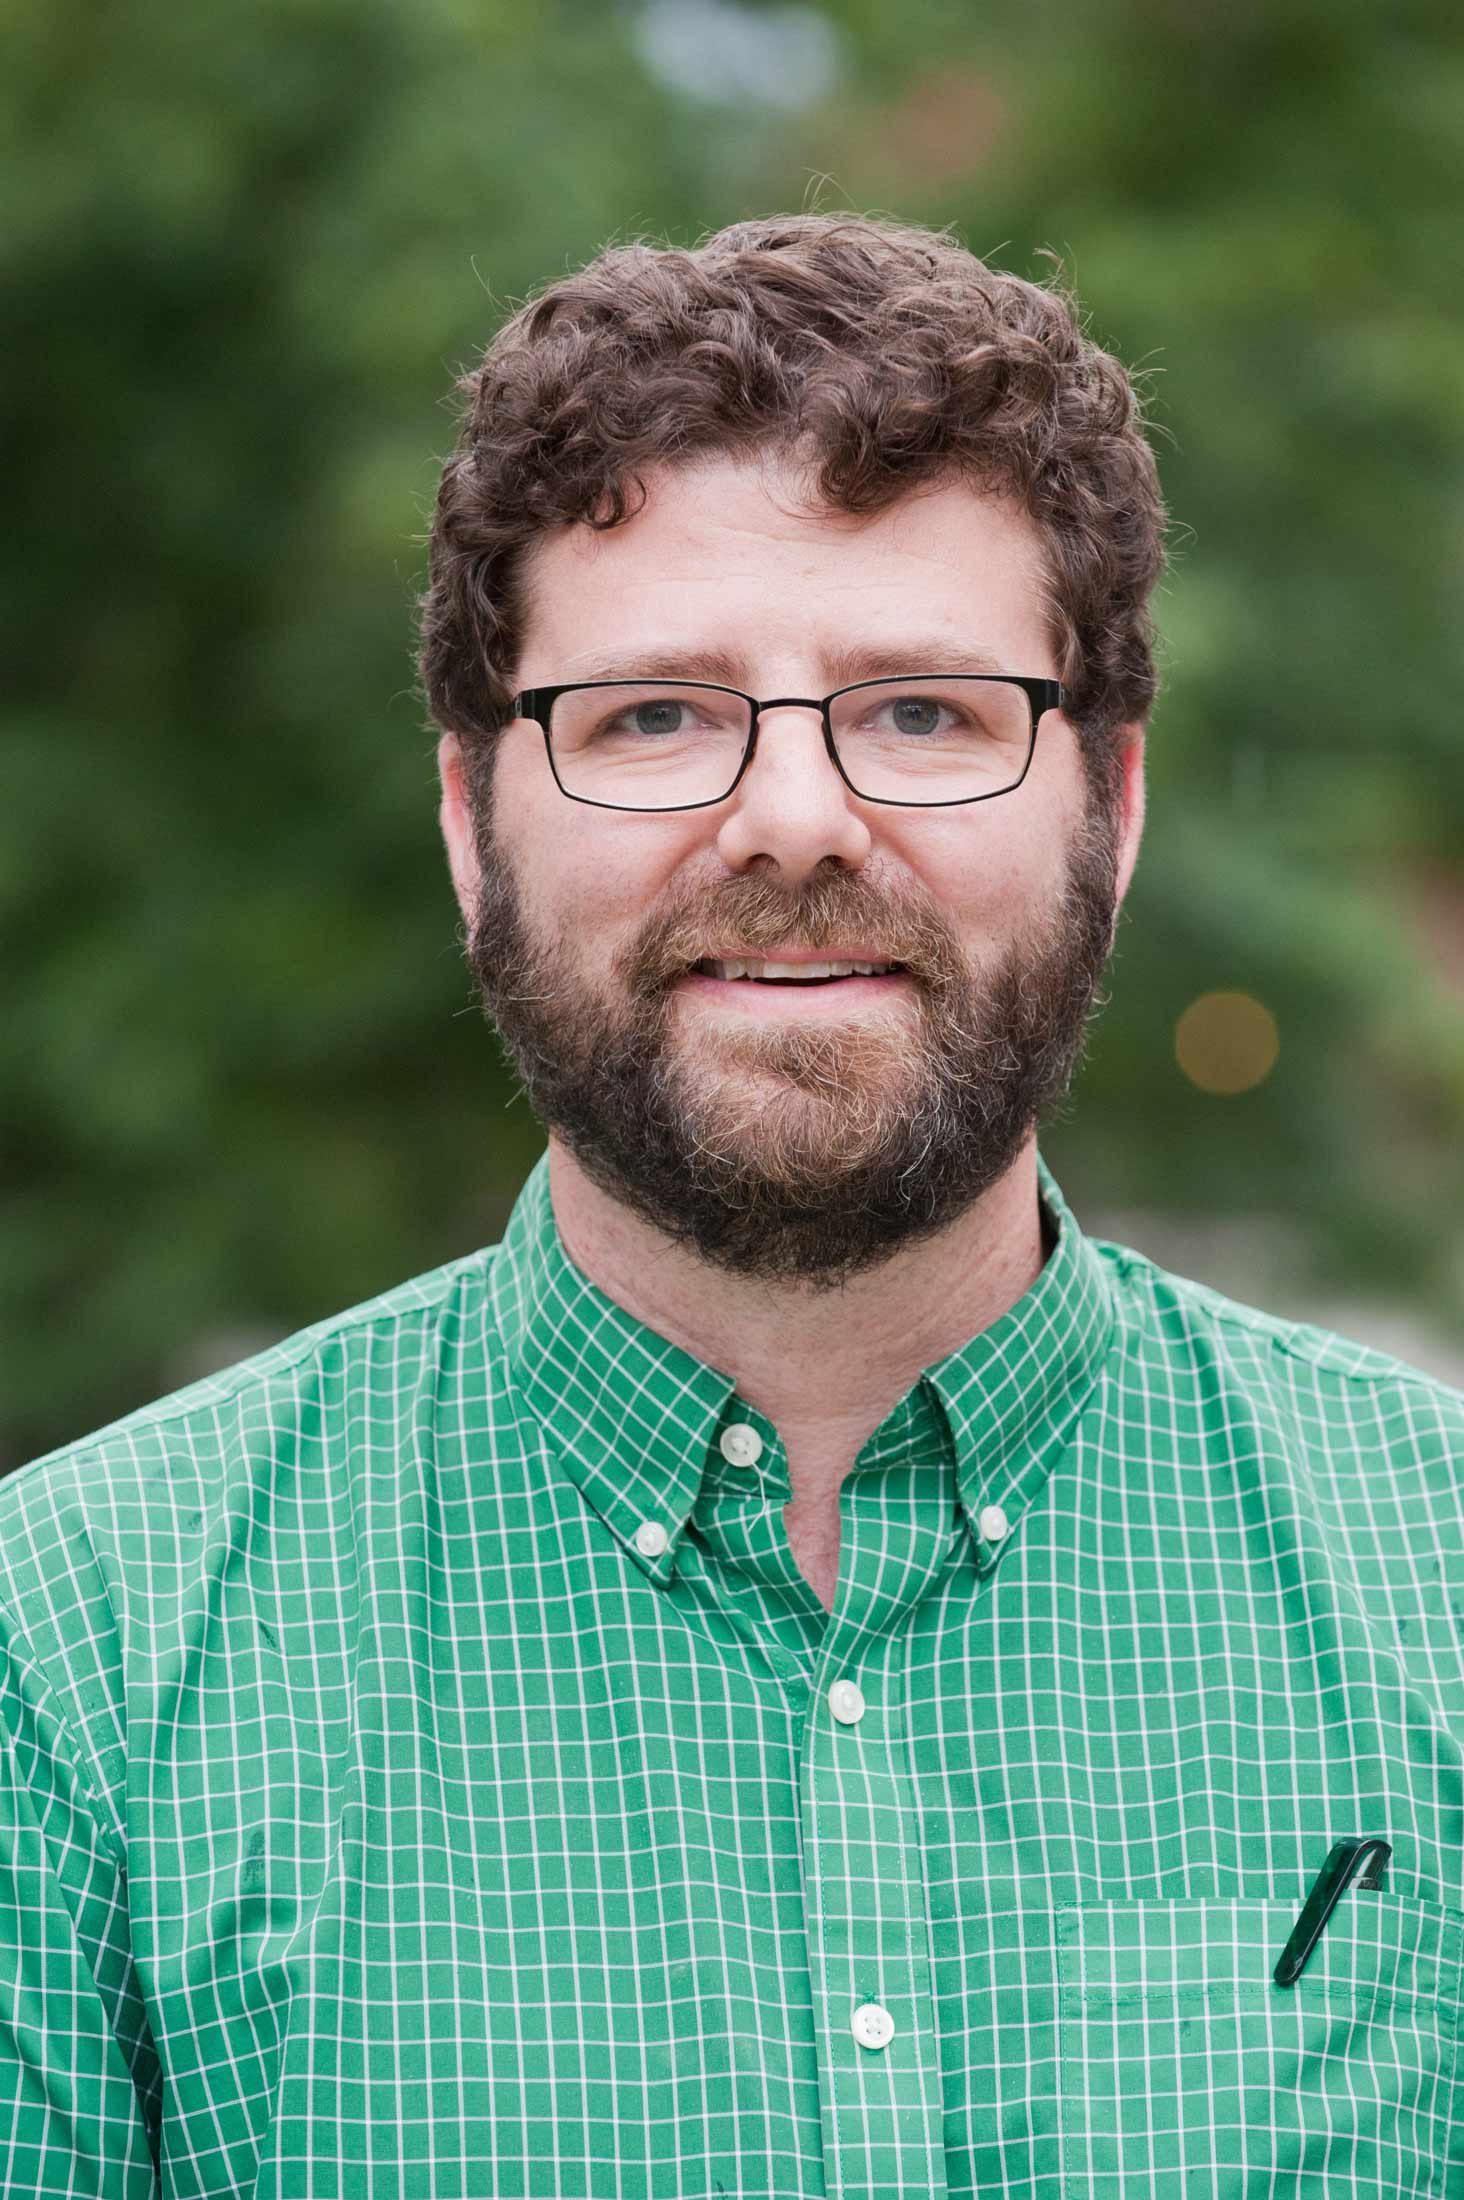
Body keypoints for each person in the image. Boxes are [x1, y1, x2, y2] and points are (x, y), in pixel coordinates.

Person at [1, 213, 1460, 2199]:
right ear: (469, 823)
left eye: (928, 709)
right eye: (656, 715)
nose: (791, 817)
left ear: (1111, 809)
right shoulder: (72, 1658)